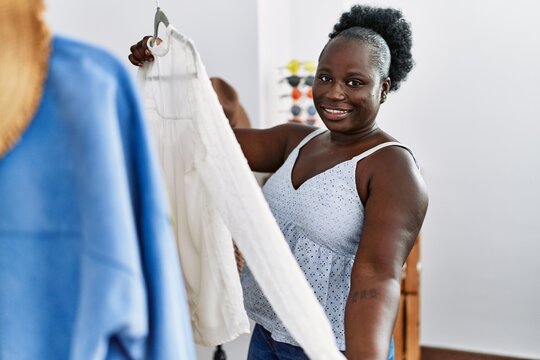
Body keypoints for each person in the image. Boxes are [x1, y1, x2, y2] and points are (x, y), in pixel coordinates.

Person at [129, 4, 428, 360]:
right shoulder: (296, 141)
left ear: (383, 88)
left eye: (355, 82)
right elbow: (204, 141)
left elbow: (376, 281)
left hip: (332, 349)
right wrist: (167, 68)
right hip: (268, 337)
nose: (334, 93)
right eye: (325, 77)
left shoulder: (393, 168)